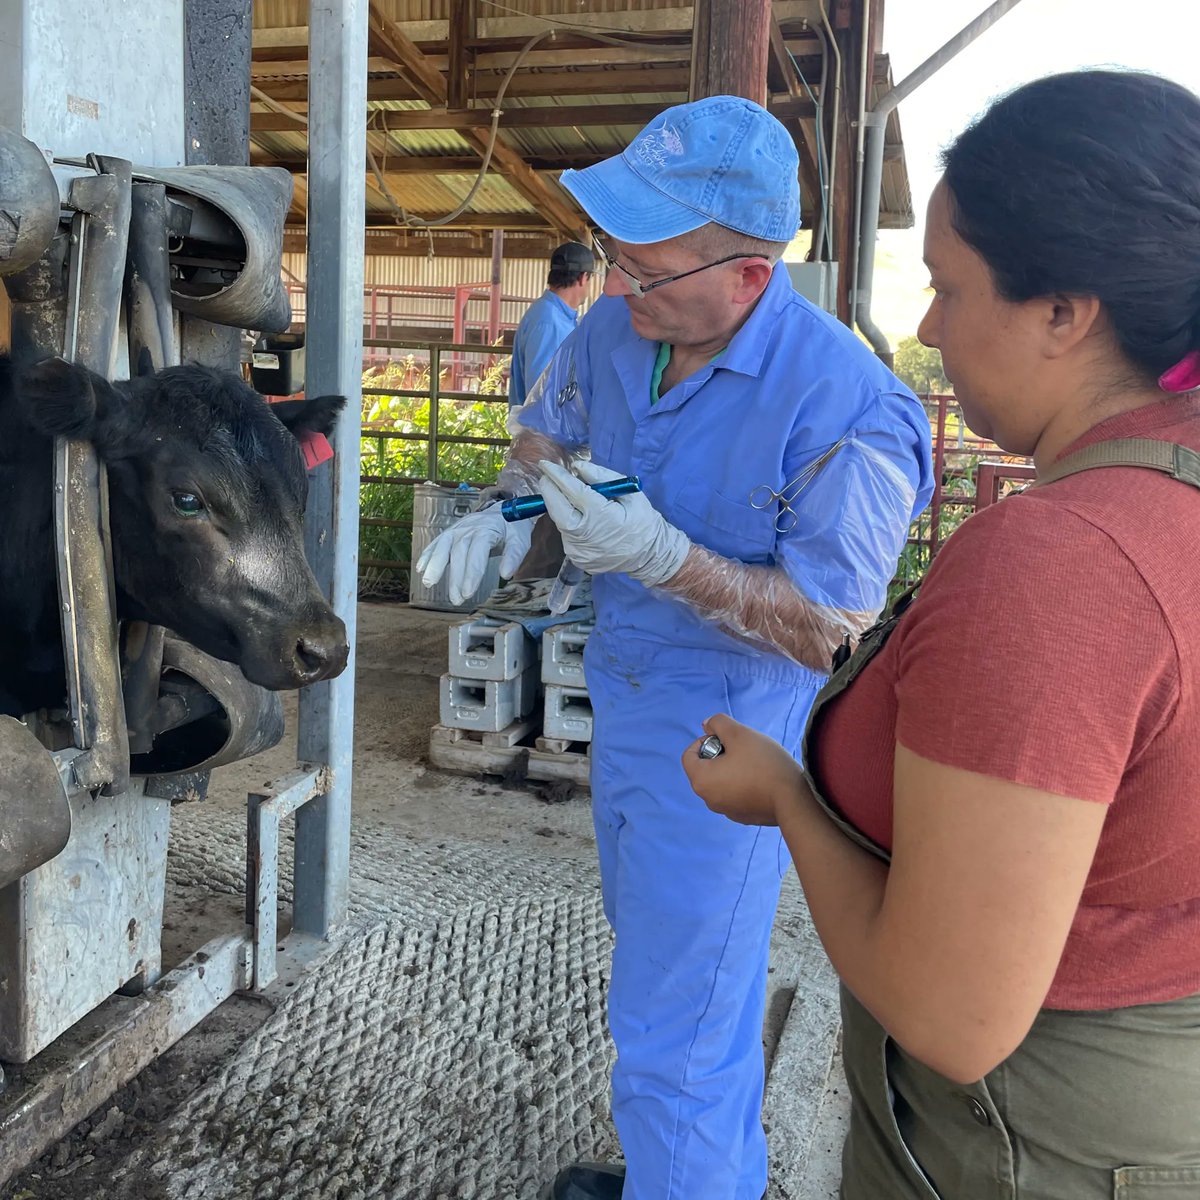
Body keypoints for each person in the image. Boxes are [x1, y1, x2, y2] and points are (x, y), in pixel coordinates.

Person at [684, 69, 1200, 1200]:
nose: (925, 327)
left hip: (1028, 1145)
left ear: (1067, 312)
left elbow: (951, 1015)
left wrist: (784, 798)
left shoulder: (1062, 564)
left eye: (950, 289)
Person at [417, 95, 933, 1200]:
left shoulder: (848, 409)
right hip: (625, 694)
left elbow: (831, 624)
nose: (617, 289)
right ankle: (689, 1175)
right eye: (609, 259)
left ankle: (688, 1181)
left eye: (643, 270)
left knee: (679, 1027)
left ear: (749, 276)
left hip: (728, 742)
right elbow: (548, 429)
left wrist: (667, 559)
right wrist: (508, 512)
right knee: (669, 978)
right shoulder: (623, 324)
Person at [507, 240, 595, 409]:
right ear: (583, 278)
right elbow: (539, 395)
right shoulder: (549, 323)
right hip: (545, 433)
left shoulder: (553, 316)